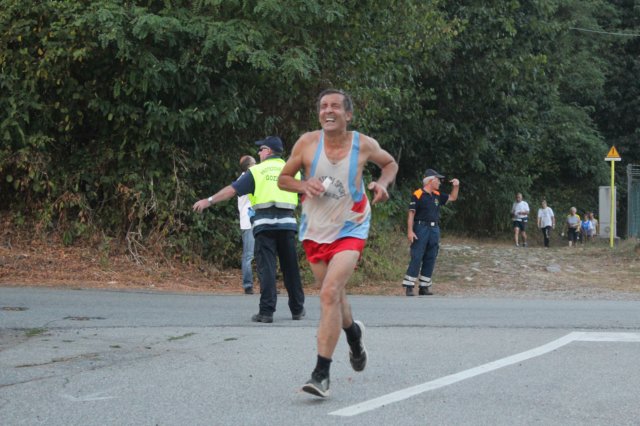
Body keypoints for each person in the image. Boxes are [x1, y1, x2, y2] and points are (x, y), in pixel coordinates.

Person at [278, 88, 398, 398]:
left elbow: (390, 164)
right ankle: (353, 334)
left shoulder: (363, 144)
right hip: (315, 230)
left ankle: (321, 375)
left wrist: (382, 184)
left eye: (335, 106)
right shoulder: (307, 143)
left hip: (351, 226)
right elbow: (283, 179)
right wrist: (304, 184)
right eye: (323, 106)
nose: (328, 110)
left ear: (348, 114)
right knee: (334, 296)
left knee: (329, 293)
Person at [193, 136, 305, 323]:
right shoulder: (292, 170)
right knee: (290, 268)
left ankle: (266, 312)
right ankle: (297, 310)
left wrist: (209, 201)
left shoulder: (256, 171)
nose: (258, 153)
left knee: (267, 268)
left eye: (261, 149)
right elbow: (307, 193)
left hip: (264, 226)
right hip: (287, 224)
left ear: (268, 151)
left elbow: (231, 190)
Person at [402, 169, 459, 296]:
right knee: (417, 256)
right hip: (421, 227)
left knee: (431, 256)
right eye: (438, 180)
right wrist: (410, 231)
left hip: (434, 229)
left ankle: (424, 286)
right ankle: (409, 286)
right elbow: (411, 214)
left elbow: (453, 197)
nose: (439, 182)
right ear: (430, 181)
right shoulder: (417, 194)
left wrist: (456, 186)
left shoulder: (437, 195)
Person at [238, 155, 257, 294]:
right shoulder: (246, 179)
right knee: (249, 255)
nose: (257, 165)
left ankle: (266, 286)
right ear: (249, 166)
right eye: (254, 163)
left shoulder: (248, 178)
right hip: (248, 221)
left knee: (262, 254)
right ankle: (248, 285)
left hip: (255, 219)